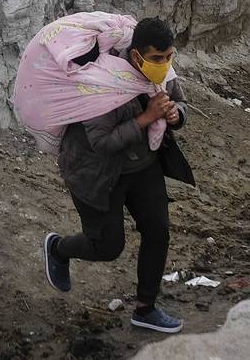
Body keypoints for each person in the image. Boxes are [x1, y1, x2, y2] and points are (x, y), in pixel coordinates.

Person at [41, 17, 192, 335]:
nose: (164, 65)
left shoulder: (163, 74)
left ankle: (146, 309)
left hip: (142, 165)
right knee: (108, 247)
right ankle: (58, 249)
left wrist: (176, 114)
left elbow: (178, 99)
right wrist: (146, 117)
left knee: (158, 231)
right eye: (156, 59)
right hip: (96, 172)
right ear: (137, 56)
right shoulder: (100, 81)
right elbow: (102, 143)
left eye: (168, 57)